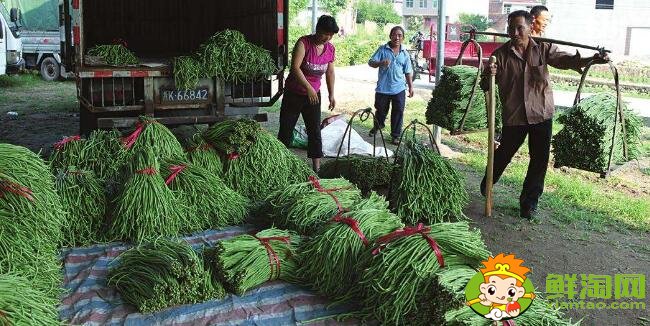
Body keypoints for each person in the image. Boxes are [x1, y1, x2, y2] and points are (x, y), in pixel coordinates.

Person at [479, 10, 607, 219]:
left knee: (539, 160)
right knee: (503, 154)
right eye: (511, 28)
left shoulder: (543, 48)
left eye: (520, 27)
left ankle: (529, 204)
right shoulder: (500, 55)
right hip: (515, 116)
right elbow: (485, 85)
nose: (515, 32)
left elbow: (566, 60)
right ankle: (488, 182)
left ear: (530, 28)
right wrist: (490, 74)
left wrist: (592, 59)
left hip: (541, 114)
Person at [277, 15, 338, 172]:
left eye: (330, 35)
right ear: (317, 29)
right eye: (325, 33)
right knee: (286, 129)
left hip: (314, 95)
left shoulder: (330, 49)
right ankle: (280, 165)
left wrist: (331, 94)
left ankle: (316, 168)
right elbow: (295, 68)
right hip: (294, 94)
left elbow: (330, 72)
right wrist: (309, 88)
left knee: (314, 131)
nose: (327, 37)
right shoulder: (303, 43)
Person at [368, 26, 414, 145]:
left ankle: (395, 136)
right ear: (390, 36)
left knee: (398, 112)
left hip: (399, 88)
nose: (397, 37)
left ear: (403, 38)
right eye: (394, 34)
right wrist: (380, 63)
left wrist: (411, 87)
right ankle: (378, 126)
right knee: (381, 111)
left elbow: (408, 71)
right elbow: (371, 62)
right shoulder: (382, 50)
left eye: (400, 35)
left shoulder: (405, 53)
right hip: (383, 88)